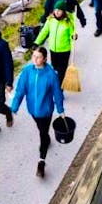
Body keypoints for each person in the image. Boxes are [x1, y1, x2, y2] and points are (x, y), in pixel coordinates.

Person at [10, 47, 66, 178]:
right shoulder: (27, 71)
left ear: (45, 59)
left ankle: (41, 162)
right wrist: (14, 107)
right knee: (42, 131)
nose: (34, 59)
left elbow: (57, 93)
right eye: (33, 56)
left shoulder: (51, 74)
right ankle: (46, 138)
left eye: (38, 57)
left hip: (46, 111)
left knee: (42, 134)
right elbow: (20, 90)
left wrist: (61, 110)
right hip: (32, 110)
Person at [34, 0, 76, 89]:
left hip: (64, 50)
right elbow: (44, 32)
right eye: (56, 9)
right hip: (53, 49)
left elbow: (72, 33)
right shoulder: (50, 20)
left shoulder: (68, 22)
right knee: (55, 68)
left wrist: (73, 36)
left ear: (63, 11)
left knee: (61, 70)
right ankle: (57, 83)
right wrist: (37, 42)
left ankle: (59, 88)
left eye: (59, 10)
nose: (57, 12)